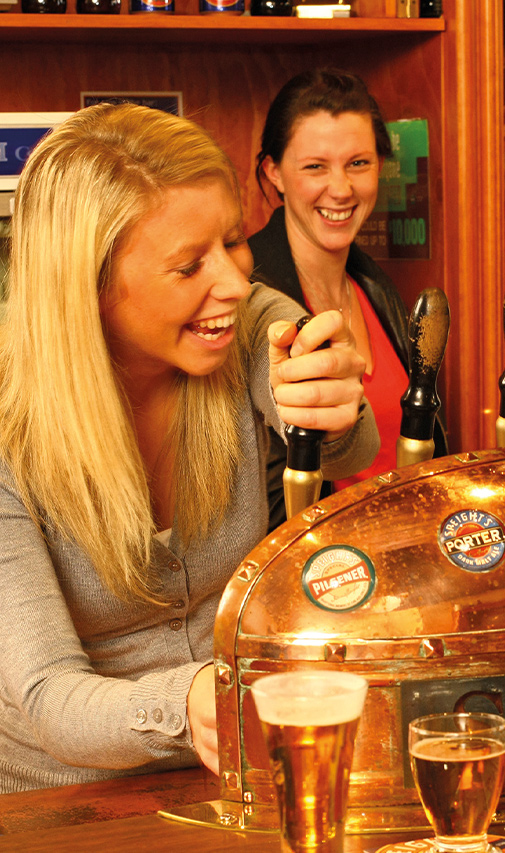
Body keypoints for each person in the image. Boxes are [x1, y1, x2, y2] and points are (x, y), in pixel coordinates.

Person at [0, 103, 377, 792]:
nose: (234, 282)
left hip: (236, 767)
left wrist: (325, 403)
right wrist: (193, 697)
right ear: (89, 285)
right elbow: (50, 697)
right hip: (61, 800)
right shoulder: (9, 424)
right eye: (188, 265)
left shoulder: (245, 325)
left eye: (233, 241)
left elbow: (351, 448)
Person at [251, 68, 447, 526]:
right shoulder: (249, 300)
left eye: (358, 163)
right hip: (323, 560)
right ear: (275, 173)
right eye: (315, 167)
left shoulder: (376, 287)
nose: (340, 189)